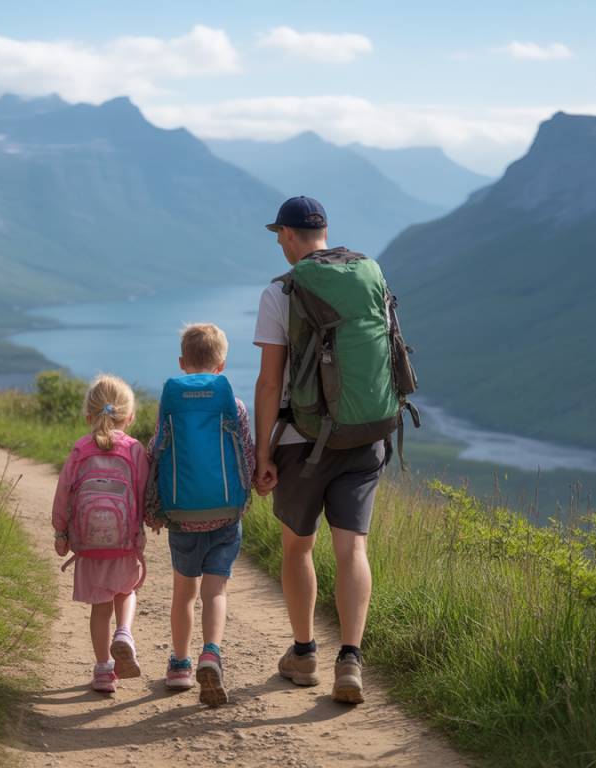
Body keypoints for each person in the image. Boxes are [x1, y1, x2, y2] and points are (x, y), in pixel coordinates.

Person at [253, 196, 386, 705]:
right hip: (363, 435)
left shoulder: (280, 291)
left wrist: (264, 452)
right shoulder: (368, 275)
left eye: (279, 236)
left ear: (287, 235)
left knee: (298, 547)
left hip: (301, 441)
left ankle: (305, 653)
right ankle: (350, 660)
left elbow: (270, 384)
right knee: (353, 547)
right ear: (325, 232)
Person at [146, 323, 255, 707]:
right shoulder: (235, 405)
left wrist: (153, 505)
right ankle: (212, 652)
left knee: (184, 593)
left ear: (182, 362)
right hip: (226, 515)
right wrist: (247, 496)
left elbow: (157, 450)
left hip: (183, 516)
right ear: (222, 364)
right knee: (215, 592)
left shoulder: (171, 402)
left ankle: (179, 665)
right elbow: (246, 453)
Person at [52, 374, 149, 694]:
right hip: (124, 543)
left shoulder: (80, 449)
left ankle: (104, 670)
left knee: (100, 607)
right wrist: (146, 524)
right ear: (130, 417)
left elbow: (64, 493)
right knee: (127, 590)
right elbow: (144, 492)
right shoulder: (134, 450)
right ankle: (124, 633)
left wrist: (61, 533)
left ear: (88, 415)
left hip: (89, 544)